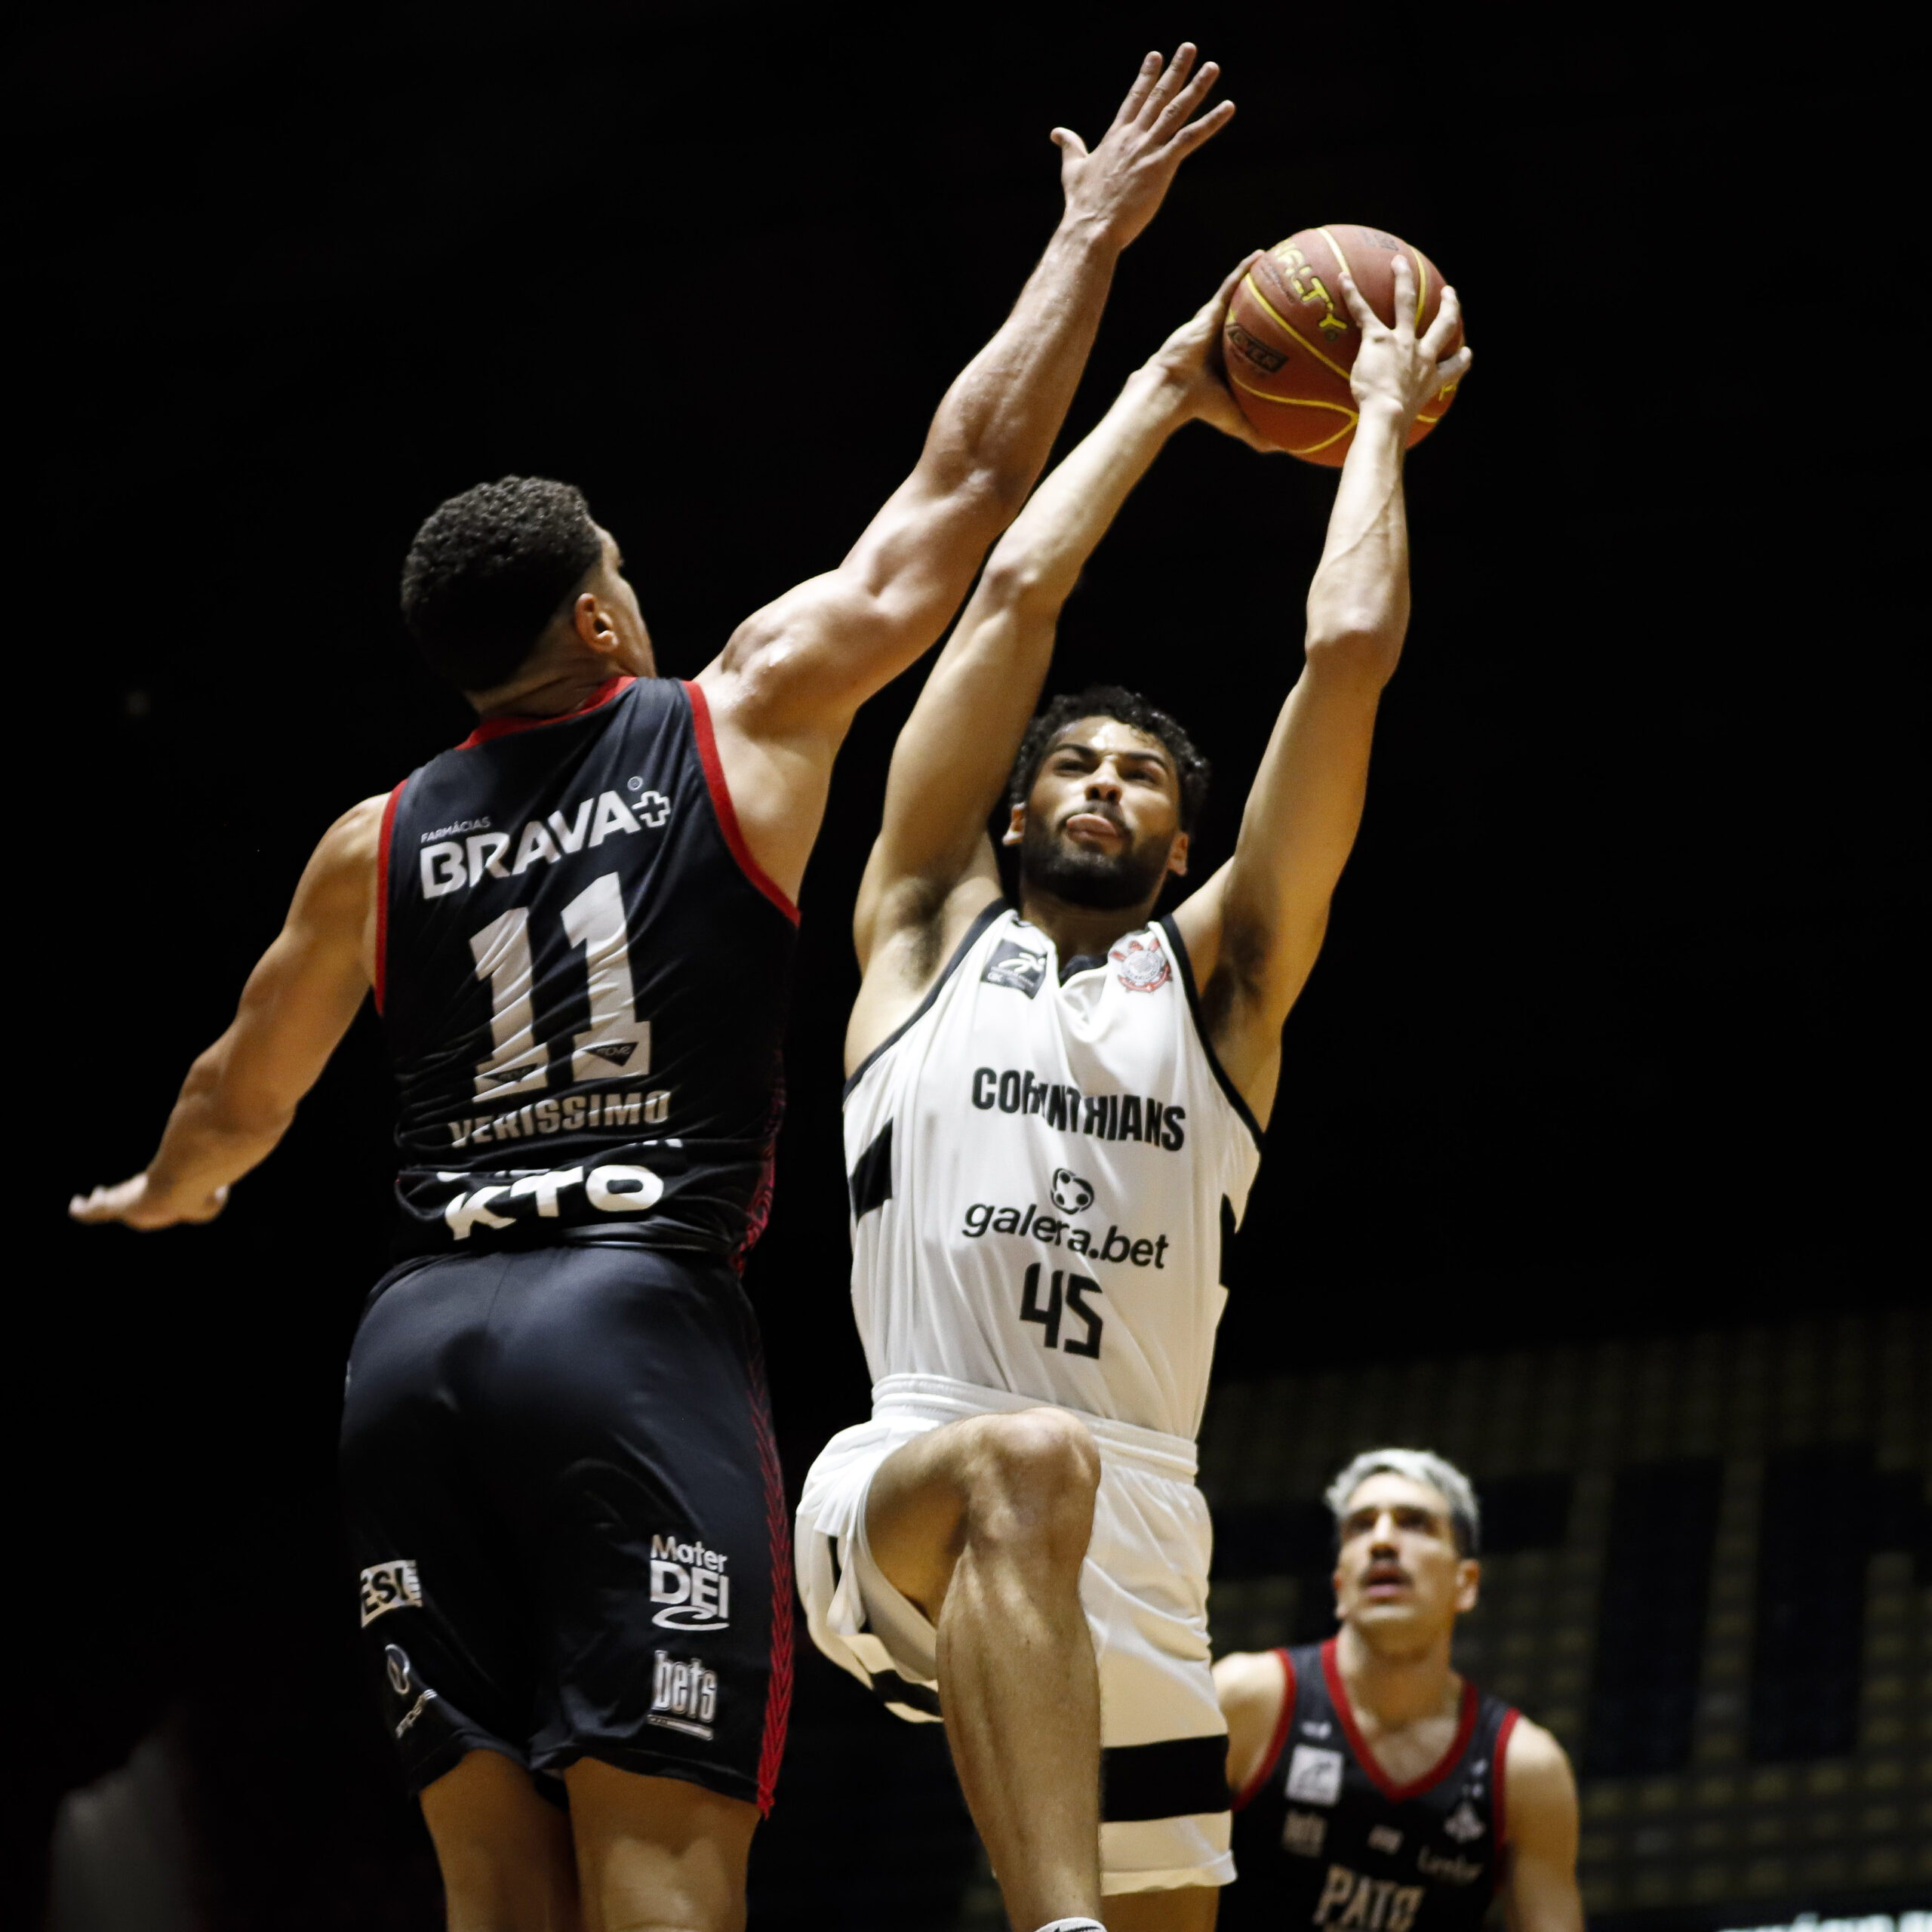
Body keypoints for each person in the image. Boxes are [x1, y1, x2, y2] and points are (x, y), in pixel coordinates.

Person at [66, 47, 1234, 1932]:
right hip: (624, 1324)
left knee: (486, 1880)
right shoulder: (732, 715)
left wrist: (171, 1191)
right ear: (598, 620)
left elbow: (232, 1097)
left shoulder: (374, 840)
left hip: (412, 1347)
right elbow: (964, 480)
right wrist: (1089, 237)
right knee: (663, 1859)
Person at [794, 245, 1472, 1932]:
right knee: (1027, 1456)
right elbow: (1013, 598)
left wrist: (1374, 420)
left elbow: (1347, 655)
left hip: (1143, 1528)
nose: (1101, 780)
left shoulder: (1224, 980)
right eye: (1071, 764)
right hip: (918, 1469)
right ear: (1012, 818)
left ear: (1184, 836)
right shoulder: (921, 927)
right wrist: (1167, 386)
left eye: (1142, 772)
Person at [1215, 1451, 1581, 1931]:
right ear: (1339, 1586)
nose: (1382, 1541)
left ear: (1465, 1584)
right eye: (1361, 1526)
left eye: (1415, 1524)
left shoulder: (1526, 1770)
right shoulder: (1247, 1700)